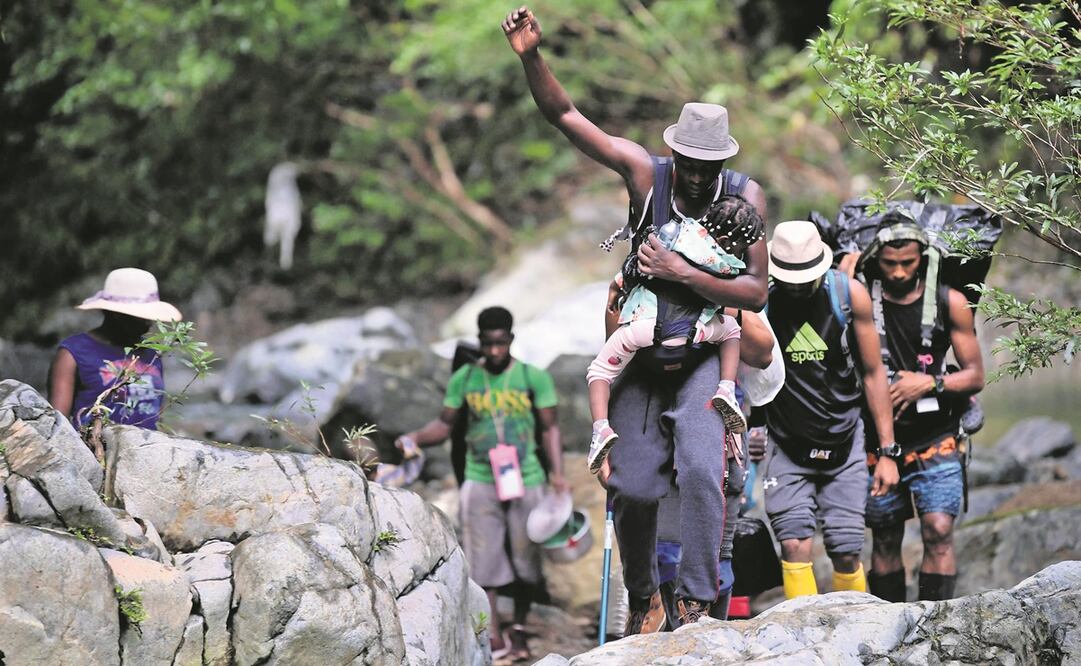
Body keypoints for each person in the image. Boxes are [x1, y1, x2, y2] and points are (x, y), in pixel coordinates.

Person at [504, 6, 769, 632]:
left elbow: (755, 291)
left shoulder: (744, 196)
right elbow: (566, 117)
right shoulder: (647, 175)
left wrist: (682, 273)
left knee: (705, 471)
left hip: (705, 355)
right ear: (677, 152)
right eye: (693, 165)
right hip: (644, 360)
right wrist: (531, 58)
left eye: (712, 168)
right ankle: (646, 594)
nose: (701, 179)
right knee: (633, 486)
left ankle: (698, 601)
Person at [395, 306, 566, 662]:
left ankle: (518, 628)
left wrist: (558, 476)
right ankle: (493, 634)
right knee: (483, 563)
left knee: (525, 559)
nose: (493, 352)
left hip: (527, 478)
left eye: (500, 343)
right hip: (479, 479)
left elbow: (550, 428)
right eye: (487, 344)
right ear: (480, 342)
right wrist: (414, 437)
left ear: (511, 340)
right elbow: (444, 425)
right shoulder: (466, 379)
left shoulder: (533, 378)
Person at [759, 221, 899, 599]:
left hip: (844, 438)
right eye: (791, 278)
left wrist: (887, 452)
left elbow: (873, 373)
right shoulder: (761, 301)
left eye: (806, 278)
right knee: (793, 544)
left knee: (847, 548)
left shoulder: (848, 295)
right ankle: (803, 643)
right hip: (785, 440)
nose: (799, 285)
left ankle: (853, 637)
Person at [586, 195, 764, 473]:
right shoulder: (728, 266)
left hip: (643, 327)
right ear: (730, 243)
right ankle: (726, 388)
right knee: (731, 331)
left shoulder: (673, 233)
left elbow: (635, 267)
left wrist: (617, 284)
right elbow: (740, 294)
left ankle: (600, 429)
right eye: (741, 246)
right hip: (695, 332)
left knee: (599, 372)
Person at [858, 215, 985, 602]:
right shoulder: (859, 296)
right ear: (875, 258)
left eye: (908, 263)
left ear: (924, 258)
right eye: (889, 263)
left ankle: (938, 631)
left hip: (937, 436)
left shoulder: (951, 301)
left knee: (939, 529)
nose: (898, 272)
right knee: (885, 536)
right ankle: (888, 630)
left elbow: (976, 376)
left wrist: (928, 383)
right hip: (875, 443)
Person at [48, 267, 182, 432]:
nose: (149, 322)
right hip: (94, 452)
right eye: (142, 316)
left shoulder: (151, 354)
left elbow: (154, 414)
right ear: (117, 314)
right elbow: (58, 427)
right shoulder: (73, 353)